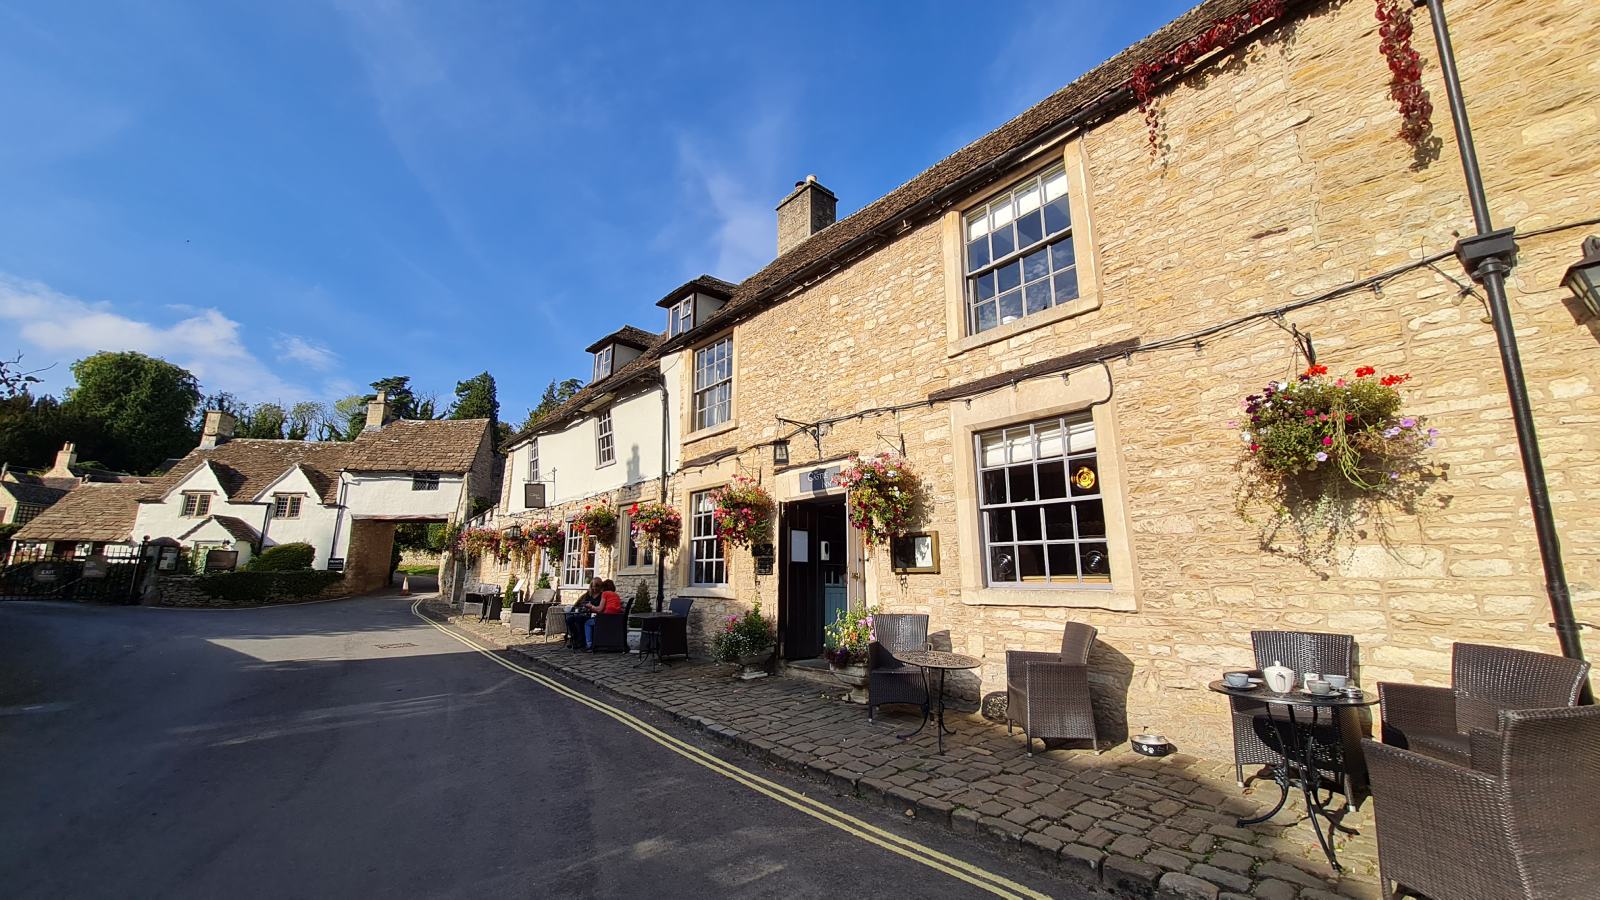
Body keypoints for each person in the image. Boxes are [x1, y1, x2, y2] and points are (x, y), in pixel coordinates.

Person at [582, 578, 625, 650]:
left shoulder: (605, 594)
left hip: (605, 619)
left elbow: (599, 609)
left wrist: (591, 606)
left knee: (587, 623)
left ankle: (589, 644)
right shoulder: (616, 595)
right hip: (615, 619)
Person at [565, 577, 602, 649]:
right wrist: (583, 607)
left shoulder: (602, 595)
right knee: (569, 619)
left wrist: (591, 607)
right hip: (584, 614)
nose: (594, 589)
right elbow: (581, 603)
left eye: (596, 586)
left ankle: (580, 642)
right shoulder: (588, 594)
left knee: (579, 621)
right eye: (593, 586)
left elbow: (600, 608)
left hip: (594, 616)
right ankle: (574, 638)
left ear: (600, 586)